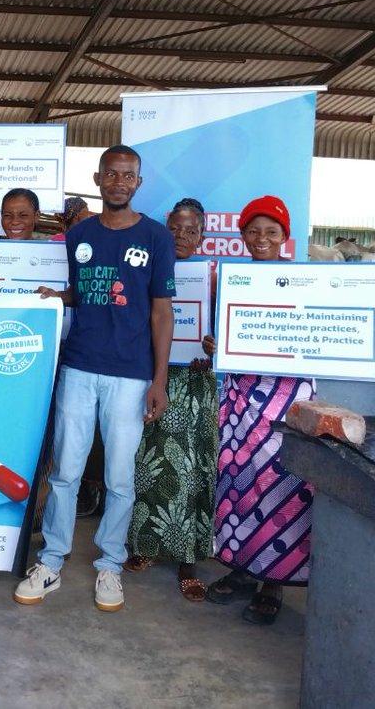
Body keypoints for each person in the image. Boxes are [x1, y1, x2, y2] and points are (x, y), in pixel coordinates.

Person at [15, 145, 175, 612]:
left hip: (131, 375)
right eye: (112, 174)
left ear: (138, 182)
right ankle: (51, 560)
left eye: (128, 175)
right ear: (98, 179)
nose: (119, 182)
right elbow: (85, 291)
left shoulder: (156, 237)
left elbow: (162, 312)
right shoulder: (79, 235)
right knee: (66, 470)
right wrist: (58, 297)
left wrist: (159, 380)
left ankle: (110, 564)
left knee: (119, 477)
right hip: (79, 366)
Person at [206, 195, 312, 626]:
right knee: (239, 484)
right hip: (240, 398)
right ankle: (242, 567)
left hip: (287, 398)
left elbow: (321, 333)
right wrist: (214, 344)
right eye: (253, 231)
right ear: (242, 236)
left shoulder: (306, 282)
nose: (261, 238)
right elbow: (217, 332)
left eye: (271, 231)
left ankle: (274, 581)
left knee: (282, 484)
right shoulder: (231, 281)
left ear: (285, 236)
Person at [123, 197, 218, 602]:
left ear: (202, 236)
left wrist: (213, 347)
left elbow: (229, 332)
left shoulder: (214, 279)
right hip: (149, 376)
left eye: (190, 230)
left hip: (194, 383)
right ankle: (145, 545)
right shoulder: (145, 270)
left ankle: (188, 561)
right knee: (146, 462)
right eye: (174, 229)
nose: (181, 236)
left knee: (192, 469)